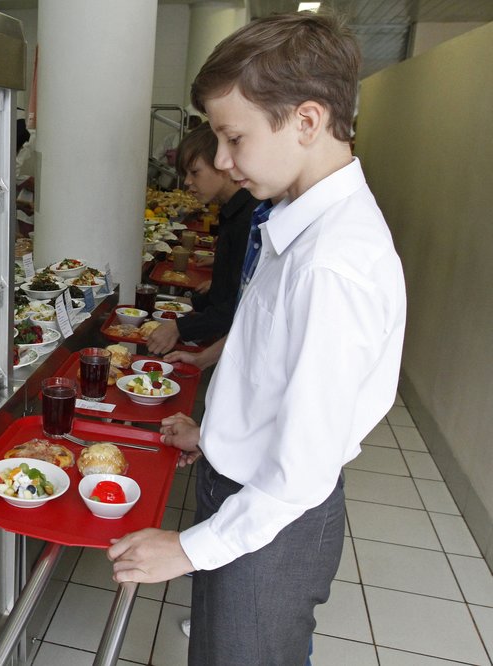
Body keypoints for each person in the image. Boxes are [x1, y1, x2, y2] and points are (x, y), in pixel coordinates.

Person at [108, 12, 406, 666]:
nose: (221, 160)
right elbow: (271, 372)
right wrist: (217, 437)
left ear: (306, 120)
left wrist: (188, 548)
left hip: (271, 521)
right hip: (246, 495)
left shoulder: (331, 264)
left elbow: (303, 468)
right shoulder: (298, 223)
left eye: (233, 137)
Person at [145, 122, 261, 355]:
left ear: (223, 164)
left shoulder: (247, 219)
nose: (188, 182)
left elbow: (235, 307)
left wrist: (179, 328)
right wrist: (192, 304)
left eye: (195, 172)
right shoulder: (231, 212)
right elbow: (223, 293)